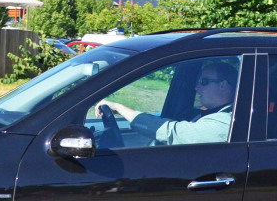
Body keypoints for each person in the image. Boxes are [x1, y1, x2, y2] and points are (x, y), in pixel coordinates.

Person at [97, 60, 238, 145]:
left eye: (204, 81)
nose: (196, 87)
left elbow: (170, 131)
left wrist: (119, 107)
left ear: (223, 86)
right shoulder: (202, 113)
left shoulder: (225, 122)